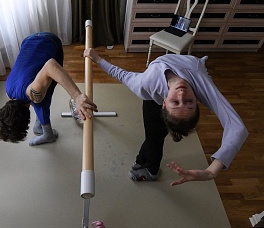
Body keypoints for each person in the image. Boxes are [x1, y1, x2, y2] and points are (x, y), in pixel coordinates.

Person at [84, 49, 247, 186]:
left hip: (155, 97)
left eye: (176, 102)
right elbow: (237, 127)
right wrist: (98, 58)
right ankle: (143, 161)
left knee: (154, 138)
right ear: (196, 101)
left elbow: (122, 75)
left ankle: (151, 170)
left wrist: (211, 172)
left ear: (165, 103)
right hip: (156, 95)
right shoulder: (200, 83)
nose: (182, 94)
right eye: (189, 101)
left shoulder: (147, 83)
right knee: (152, 135)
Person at [0, 32, 96, 146]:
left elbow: (51, 65)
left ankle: (47, 133)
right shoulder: (8, 91)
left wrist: (77, 96)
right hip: (29, 41)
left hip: (50, 41)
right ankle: (43, 128)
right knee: (36, 96)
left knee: (39, 98)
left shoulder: (33, 93)